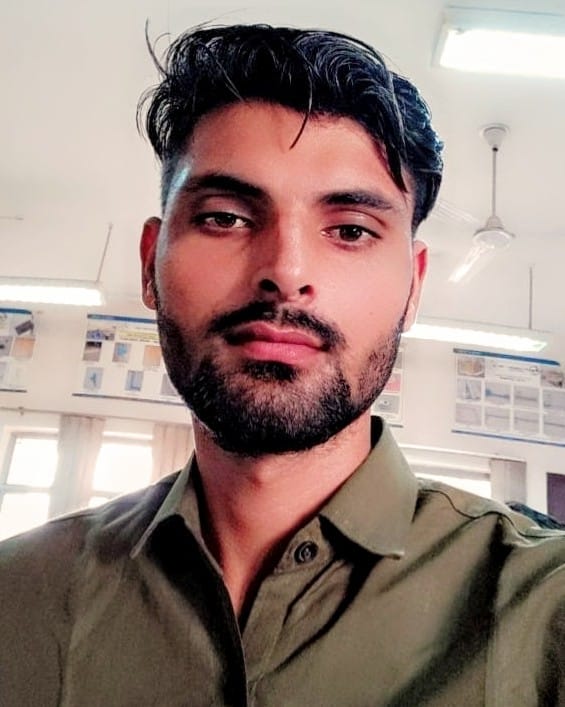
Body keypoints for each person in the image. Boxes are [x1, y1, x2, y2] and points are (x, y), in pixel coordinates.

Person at [1, 24, 564, 707]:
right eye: (225, 218)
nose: (286, 272)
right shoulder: (16, 598)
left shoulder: (544, 608)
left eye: (350, 230)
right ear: (150, 263)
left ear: (413, 287)